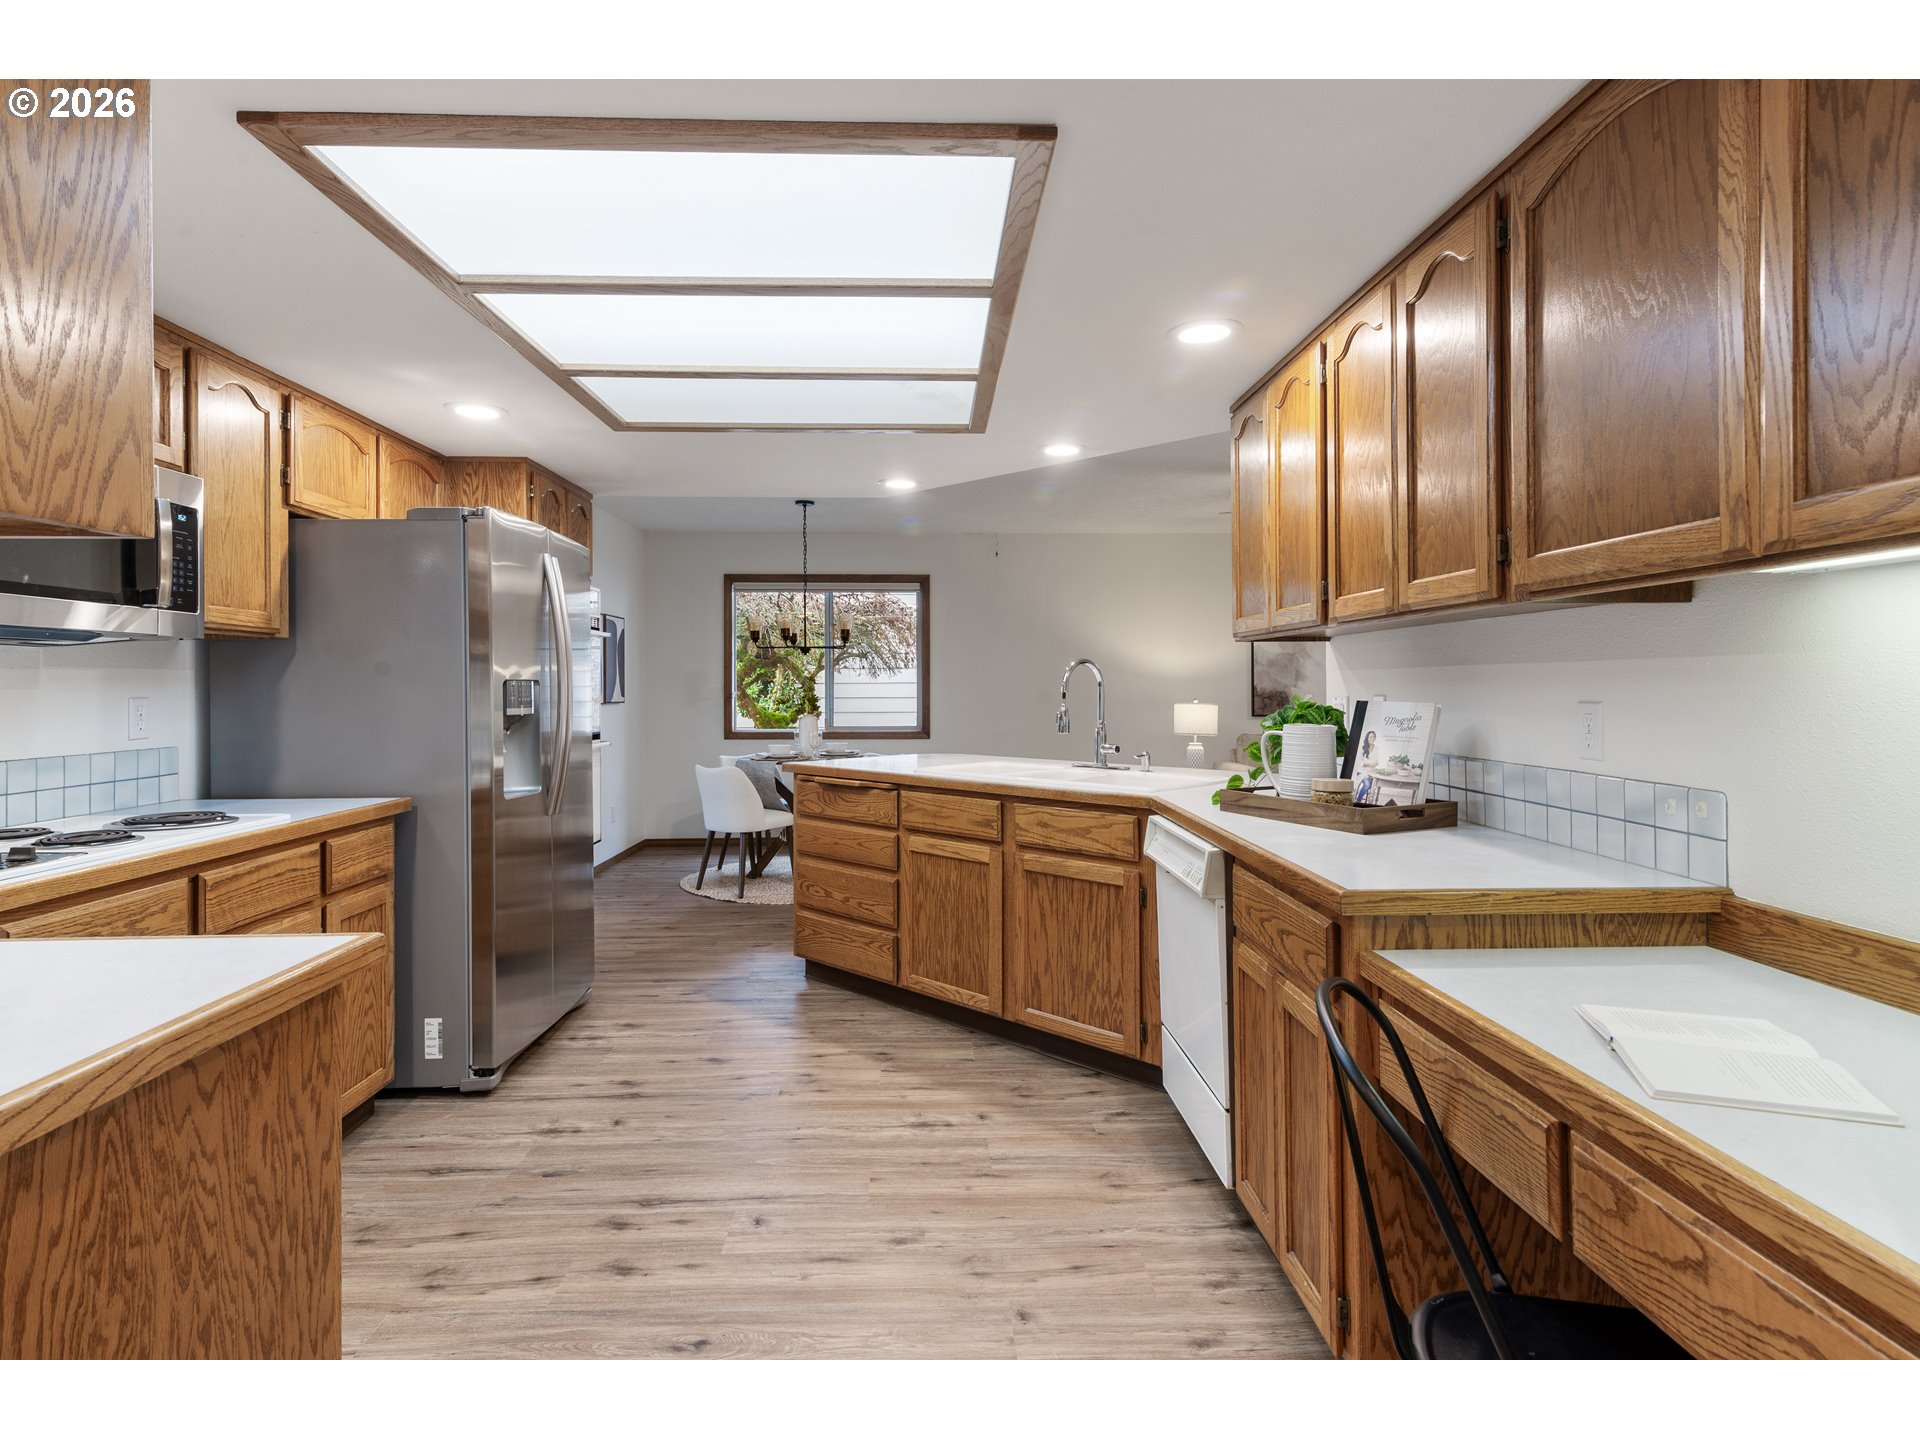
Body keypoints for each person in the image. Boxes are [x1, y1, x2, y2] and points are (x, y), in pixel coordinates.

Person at [1352, 730, 1382, 804]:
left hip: (1371, 772)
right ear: (1367, 738)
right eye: (1370, 737)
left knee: (1373, 786)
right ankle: (1358, 800)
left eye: (1374, 737)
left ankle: (1369, 801)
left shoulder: (1377, 748)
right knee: (1367, 785)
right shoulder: (1363, 748)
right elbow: (1359, 761)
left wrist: (1375, 764)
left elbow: (1377, 760)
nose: (1372, 738)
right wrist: (1369, 764)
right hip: (1362, 771)